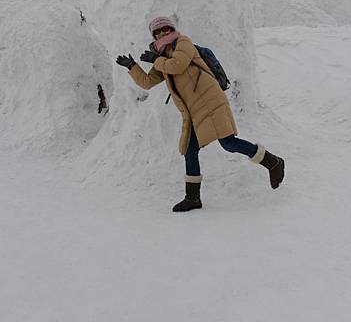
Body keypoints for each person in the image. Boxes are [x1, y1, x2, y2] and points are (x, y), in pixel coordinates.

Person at [116, 16, 285, 212]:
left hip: (211, 101)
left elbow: (178, 65)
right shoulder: (163, 56)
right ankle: (193, 198)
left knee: (228, 143)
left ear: (172, 29)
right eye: (158, 32)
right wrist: (132, 66)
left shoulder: (183, 43)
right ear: (154, 35)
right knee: (190, 150)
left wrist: (157, 60)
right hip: (194, 110)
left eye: (166, 29)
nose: (163, 33)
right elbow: (147, 82)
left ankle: (273, 162)